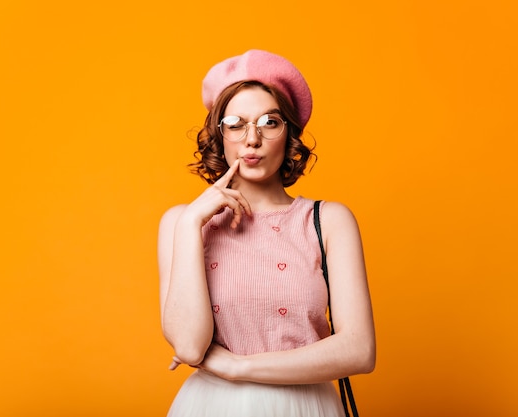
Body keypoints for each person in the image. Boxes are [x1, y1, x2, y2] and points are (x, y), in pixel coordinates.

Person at [158, 49, 375, 416]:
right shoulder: (183, 222)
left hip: (304, 407)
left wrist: (240, 367)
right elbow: (189, 347)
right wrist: (193, 222)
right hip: (212, 407)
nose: (252, 139)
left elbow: (359, 350)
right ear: (219, 134)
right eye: (235, 123)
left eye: (269, 122)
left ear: (288, 132)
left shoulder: (329, 221)